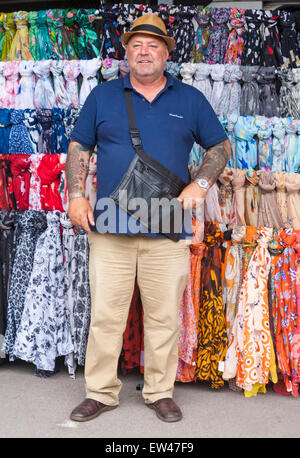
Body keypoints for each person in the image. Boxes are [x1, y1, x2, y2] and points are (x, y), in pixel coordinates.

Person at [66, 14, 231, 423]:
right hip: (109, 229)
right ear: (126, 52)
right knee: (106, 314)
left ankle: (159, 391)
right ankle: (100, 392)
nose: (144, 51)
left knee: (164, 317)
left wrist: (203, 184)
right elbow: (78, 147)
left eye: (153, 45)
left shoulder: (190, 98)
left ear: (166, 53)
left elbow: (220, 147)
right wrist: (74, 195)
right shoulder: (103, 97)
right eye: (137, 44)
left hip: (167, 227)